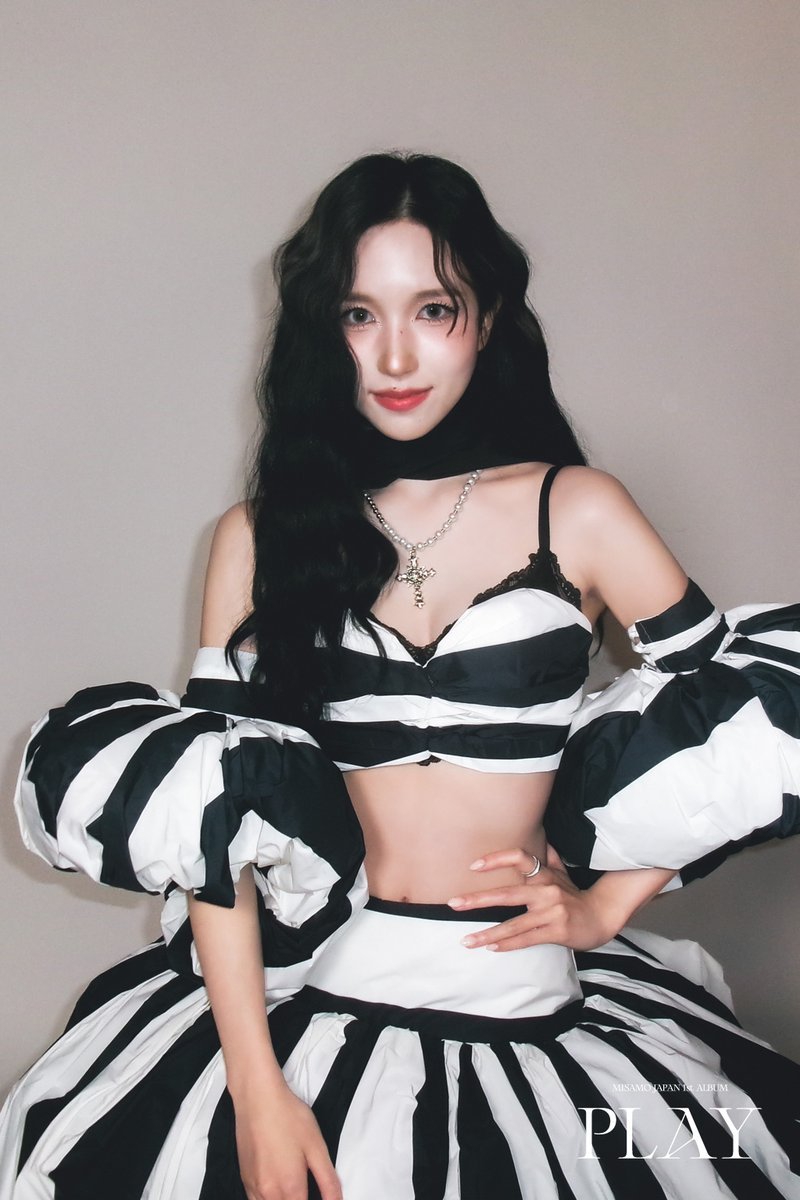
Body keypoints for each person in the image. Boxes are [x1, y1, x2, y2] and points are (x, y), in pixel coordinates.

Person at [2, 152, 800, 1200]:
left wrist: (606, 909)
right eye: (357, 314)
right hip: (311, 995)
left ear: (487, 315)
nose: (391, 355)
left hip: (522, 992)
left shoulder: (580, 509)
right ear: (320, 329)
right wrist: (256, 1088)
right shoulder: (260, 535)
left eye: (431, 309)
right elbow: (214, 818)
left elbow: (744, 714)